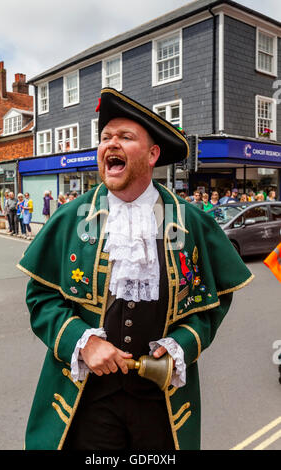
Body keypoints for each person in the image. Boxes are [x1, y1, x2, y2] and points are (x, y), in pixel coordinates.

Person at [17, 88, 254, 451]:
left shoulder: (190, 222)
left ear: (152, 154)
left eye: (126, 137)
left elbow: (213, 301)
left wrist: (183, 344)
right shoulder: (70, 218)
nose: (111, 144)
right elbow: (41, 298)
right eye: (105, 138)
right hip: (86, 399)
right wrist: (82, 342)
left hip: (161, 402)